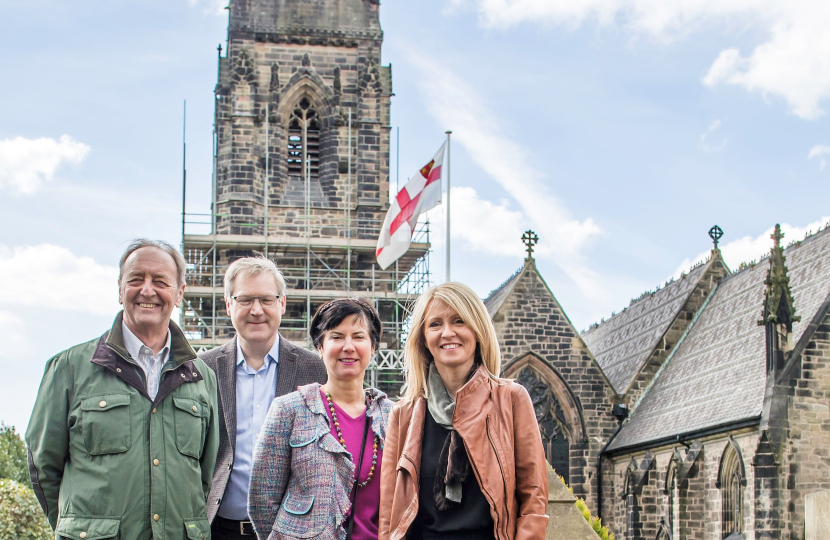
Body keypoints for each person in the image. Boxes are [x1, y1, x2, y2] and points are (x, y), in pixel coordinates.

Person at [26, 239, 220, 539]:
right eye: (135, 279)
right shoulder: (69, 367)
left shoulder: (202, 377)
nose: (147, 290)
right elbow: (43, 468)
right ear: (120, 289)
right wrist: (83, 527)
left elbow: (204, 476)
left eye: (160, 281)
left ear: (179, 293)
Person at [379, 282, 549, 540]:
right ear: (424, 339)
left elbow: (533, 499)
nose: (447, 332)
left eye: (459, 321)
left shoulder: (511, 400)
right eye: (435, 324)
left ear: (478, 331)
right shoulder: (403, 414)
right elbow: (389, 512)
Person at [200, 257, 327, 539]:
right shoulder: (203, 368)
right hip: (218, 529)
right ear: (228, 304)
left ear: (281, 303)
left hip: (290, 531)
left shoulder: (315, 369)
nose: (256, 310)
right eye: (245, 299)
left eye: (266, 299)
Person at [249, 298, 392, 540]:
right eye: (336, 337)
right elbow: (262, 500)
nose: (348, 347)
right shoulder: (289, 409)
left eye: (358, 337)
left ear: (373, 346)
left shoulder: (392, 415)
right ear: (320, 346)